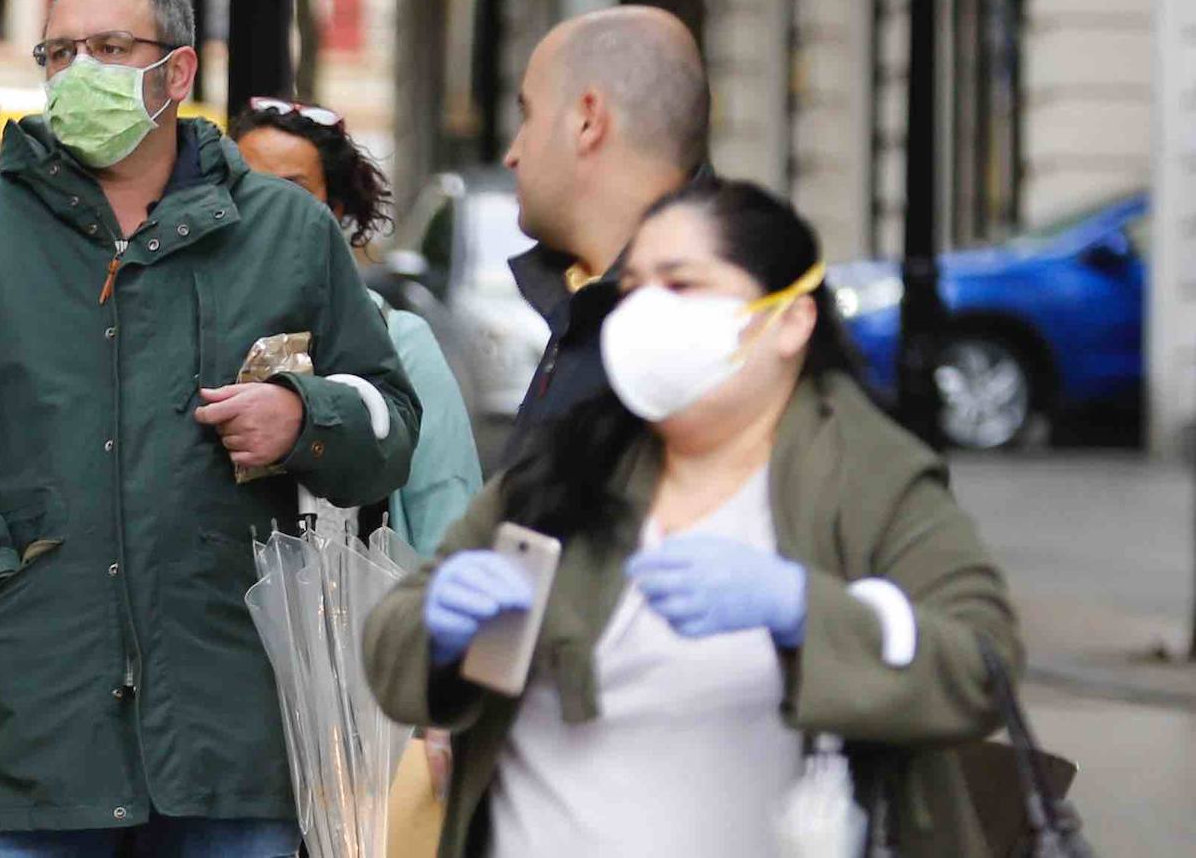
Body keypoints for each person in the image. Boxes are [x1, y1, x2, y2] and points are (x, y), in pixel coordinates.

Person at [0, 0, 421, 858]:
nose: (81, 71)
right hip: (30, 745)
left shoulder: (286, 231)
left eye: (111, 47)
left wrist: (303, 417)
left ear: (180, 72)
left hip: (235, 735)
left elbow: (390, 424)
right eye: (60, 52)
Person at [363, 177, 1021, 858]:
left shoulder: (868, 477)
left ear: (790, 319)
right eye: (636, 285)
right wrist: (437, 630)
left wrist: (806, 610)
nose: (646, 313)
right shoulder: (564, 465)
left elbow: (981, 661)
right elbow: (393, 648)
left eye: (681, 285)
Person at [229, 97, 480, 556]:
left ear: (337, 212)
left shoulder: (399, 340)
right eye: (244, 187)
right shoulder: (192, 321)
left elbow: (445, 512)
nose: (262, 212)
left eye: (291, 193)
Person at [499, 5, 709, 462]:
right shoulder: (592, 297)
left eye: (529, 116)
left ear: (588, 120)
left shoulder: (708, 329)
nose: (512, 154)